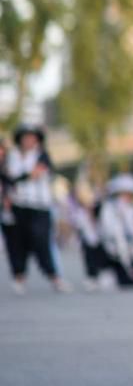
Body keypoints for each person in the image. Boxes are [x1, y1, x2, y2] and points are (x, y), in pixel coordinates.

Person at [2, 124, 70, 294]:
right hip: (17, 206)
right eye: (26, 137)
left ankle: (54, 276)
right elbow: (8, 178)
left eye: (33, 137)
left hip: (40, 206)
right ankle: (19, 277)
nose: (30, 141)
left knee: (41, 240)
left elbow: (35, 174)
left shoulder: (42, 155)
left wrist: (19, 178)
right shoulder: (11, 156)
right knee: (16, 243)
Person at [98, 174, 133, 288]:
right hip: (115, 247)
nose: (129, 196)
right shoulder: (110, 207)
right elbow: (107, 228)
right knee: (124, 280)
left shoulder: (132, 207)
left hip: (132, 248)